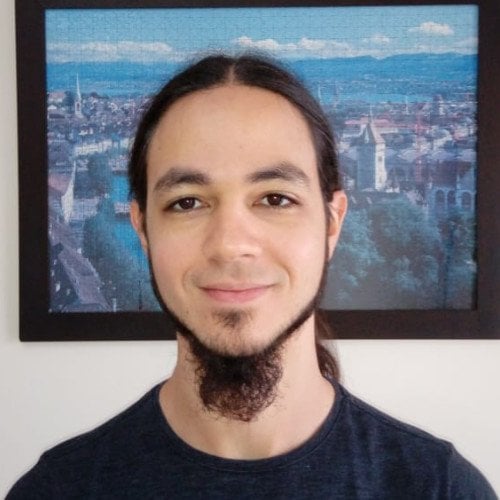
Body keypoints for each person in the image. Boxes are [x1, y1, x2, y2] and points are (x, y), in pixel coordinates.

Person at [8, 54, 496, 499]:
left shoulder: (443, 490)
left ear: (332, 224)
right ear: (143, 230)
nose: (230, 243)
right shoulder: (52, 492)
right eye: (187, 202)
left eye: (275, 198)